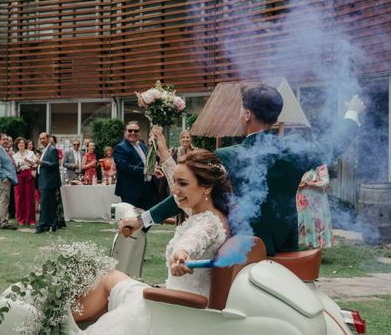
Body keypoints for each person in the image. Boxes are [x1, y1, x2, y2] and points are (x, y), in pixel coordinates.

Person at [123, 85, 364, 256]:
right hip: (286, 248)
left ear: (247, 114)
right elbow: (333, 145)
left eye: (241, 109)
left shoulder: (228, 156)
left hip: (242, 252)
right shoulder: (294, 154)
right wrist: (351, 112)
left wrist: (143, 219)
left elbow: (187, 193)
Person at [72, 150, 231, 335]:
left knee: (109, 278)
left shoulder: (206, 224)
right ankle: (72, 325)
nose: (175, 189)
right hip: (178, 300)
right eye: (175, 182)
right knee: (115, 279)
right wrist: (165, 153)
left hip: (175, 311)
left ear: (206, 187)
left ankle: (62, 326)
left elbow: (191, 243)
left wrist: (181, 256)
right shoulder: (204, 212)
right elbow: (177, 196)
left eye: (183, 183)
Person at [113, 121, 152, 209]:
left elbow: (146, 163)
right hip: (130, 190)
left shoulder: (142, 146)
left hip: (146, 188)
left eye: (136, 131)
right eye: (130, 131)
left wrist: (153, 169)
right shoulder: (121, 147)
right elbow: (125, 167)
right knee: (131, 218)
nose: (133, 133)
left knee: (146, 219)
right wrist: (147, 170)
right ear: (125, 132)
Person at [297, 164, 333, 248]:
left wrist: (309, 184)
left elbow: (325, 182)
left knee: (316, 223)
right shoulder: (302, 164)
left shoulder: (321, 166)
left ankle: (315, 248)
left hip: (316, 202)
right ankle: (308, 245)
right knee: (306, 223)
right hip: (303, 201)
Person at [34, 132, 62, 233]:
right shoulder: (44, 150)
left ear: (48, 138)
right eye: (40, 139)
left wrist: (41, 162)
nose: (42, 140)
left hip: (48, 182)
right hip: (43, 180)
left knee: (46, 204)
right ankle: (49, 224)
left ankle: (43, 225)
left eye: (44, 138)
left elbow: (54, 164)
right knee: (47, 204)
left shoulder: (52, 149)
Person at [0, 133, 18, 230]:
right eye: (3, 139)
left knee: (1, 200)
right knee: (4, 200)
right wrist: (4, 178)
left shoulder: (3, 150)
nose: (5, 141)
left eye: (6, 139)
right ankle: (4, 222)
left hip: (6, 179)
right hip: (3, 179)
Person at [13, 136, 36, 226]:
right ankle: (20, 219)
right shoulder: (14, 155)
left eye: (23, 143)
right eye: (19, 143)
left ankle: (30, 219)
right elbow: (15, 166)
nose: (21, 144)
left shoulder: (30, 153)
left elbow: (35, 163)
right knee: (19, 197)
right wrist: (20, 163)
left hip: (29, 174)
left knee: (30, 197)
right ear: (17, 145)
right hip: (19, 175)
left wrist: (29, 160)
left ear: (25, 144)